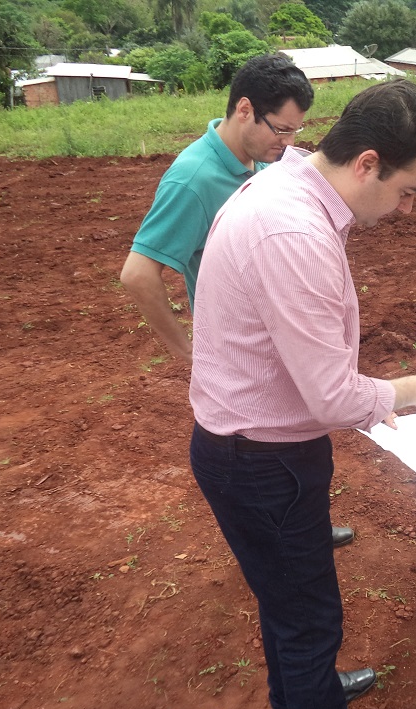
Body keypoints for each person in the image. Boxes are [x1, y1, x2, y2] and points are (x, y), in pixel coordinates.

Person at [188, 79, 416, 709]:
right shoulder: (294, 232)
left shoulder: (284, 190)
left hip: (245, 444)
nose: (406, 210)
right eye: (408, 192)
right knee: (310, 613)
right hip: (264, 461)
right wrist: (414, 389)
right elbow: (333, 398)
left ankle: (296, 693)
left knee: (283, 592)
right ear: (367, 163)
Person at [120, 54, 355, 549]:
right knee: (264, 455)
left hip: (276, 334)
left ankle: (306, 525)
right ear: (244, 109)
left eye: (295, 131)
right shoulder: (194, 179)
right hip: (240, 354)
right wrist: (188, 351)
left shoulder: (261, 160)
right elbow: (138, 275)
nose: (287, 143)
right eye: (281, 129)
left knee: (303, 440)